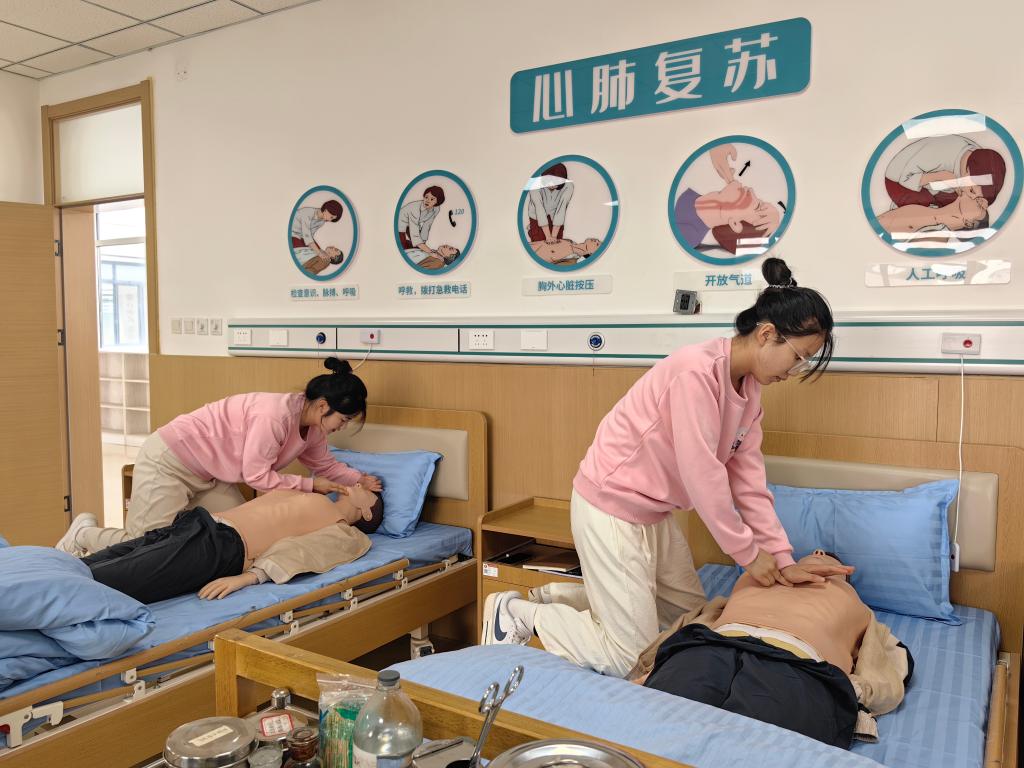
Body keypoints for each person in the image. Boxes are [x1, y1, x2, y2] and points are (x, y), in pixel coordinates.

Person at [482, 258, 846, 678]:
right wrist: (748, 553)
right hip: (612, 507)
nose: (795, 371)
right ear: (767, 334)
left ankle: (561, 598)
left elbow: (749, 482)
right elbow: (703, 476)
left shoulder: (749, 392)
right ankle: (521, 614)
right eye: (798, 358)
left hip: (654, 512)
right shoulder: (695, 373)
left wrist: (781, 557)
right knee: (628, 657)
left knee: (692, 624)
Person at [56, 357, 382, 557]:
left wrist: (359, 479)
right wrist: (313, 486)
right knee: (147, 545)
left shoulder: (314, 429)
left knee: (237, 537)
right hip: (172, 459)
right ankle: (83, 534)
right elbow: (257, 478)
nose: (342, 427)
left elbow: (324, 464)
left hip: (211, 475)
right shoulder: (274, 416)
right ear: (323, 406)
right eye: (343, 420)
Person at [630, 551, 913, 750]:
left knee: (753, 749)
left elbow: (881, 659)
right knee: (652, 734)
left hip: (796, 666)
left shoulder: (853, 602)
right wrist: (662, 659)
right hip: (711, 648)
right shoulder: (756, 576)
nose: (818, 551)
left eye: (828, 556)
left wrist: (856, 693)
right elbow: (705, 617)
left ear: (844, 576)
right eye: (814, 552)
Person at [82, 484, 384, 605]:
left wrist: (249, 577)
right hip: (200, 523)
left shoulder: (346, 533)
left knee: (107, 577)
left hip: (223, 547)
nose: (360, 484)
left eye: (368, 492)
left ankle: (54, 595)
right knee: (91, 563)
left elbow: (302, 553)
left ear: (368, 512)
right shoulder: (315, 494)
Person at [673, 143, 783, 256]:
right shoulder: (692, 188)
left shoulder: (687, 235)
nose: (751, 190)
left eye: (757, 206)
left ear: (735, 223)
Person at [883, 134, 1006, 210]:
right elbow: (905, 178)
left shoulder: (980, 157)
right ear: (967, 170)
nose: (972, 197)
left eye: (976, 196)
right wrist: (940, 176)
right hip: (898, 182)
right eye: (972, 191)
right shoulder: (940, 155)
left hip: (938, 188)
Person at [876, 190, 989, 240]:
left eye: (981, 207)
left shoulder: (938, 236)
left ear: (969, 223)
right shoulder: (929, 204)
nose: (981, 200)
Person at [527, 162, 574, 244]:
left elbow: (561, 209)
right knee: (539, 240)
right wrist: (548, 237)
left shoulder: (568, 186)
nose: (552, 184)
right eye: (549, 180)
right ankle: (532, 230)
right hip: (537, 215)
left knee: (557, 242)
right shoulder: (534, 184)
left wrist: (554, 236)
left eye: (556, 181)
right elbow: (539, 208)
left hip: (555, 216)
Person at [292, 199, 344, 263]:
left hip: (300, 237)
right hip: (292, 234)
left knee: (312, 253)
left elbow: (309, 236)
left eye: (332, 219)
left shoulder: (321, 221)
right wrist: (319, 252)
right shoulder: (308, 213)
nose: (330, 220)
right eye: (331, 217)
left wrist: (320, 250)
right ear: (326, 210)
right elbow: (307, 236)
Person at [398, 185, 445, 254]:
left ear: (437, 201)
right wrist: (429, 251)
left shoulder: (436, 209)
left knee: (418, 246)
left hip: (412, 223)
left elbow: (427, 225)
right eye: (426, 197)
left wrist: (424, 244)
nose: (427, 201)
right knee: (403, 245)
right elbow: (415, 233)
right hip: (401, 221)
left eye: (432, 199)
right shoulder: (415, 208)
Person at [530, 237, 600, 265]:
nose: (596, 240)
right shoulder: (569, 241)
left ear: (591, 253)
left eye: (597, 244)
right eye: (598, 241)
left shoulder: (572, 261)